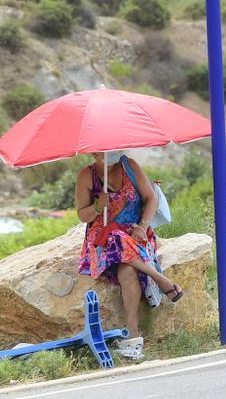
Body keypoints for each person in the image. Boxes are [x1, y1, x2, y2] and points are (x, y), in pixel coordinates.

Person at [76, 151, 182, 361]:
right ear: (92, 151)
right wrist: (98, 206)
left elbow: (151, 199)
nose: (104, 153)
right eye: (99, 150)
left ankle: (133, 336)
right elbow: (82, 215)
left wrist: (142, 228)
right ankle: (160, 278)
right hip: (102, 240)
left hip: (135, 235)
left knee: (127, 270)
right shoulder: (87, 176)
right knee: (116, 236)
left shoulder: (129, 166)